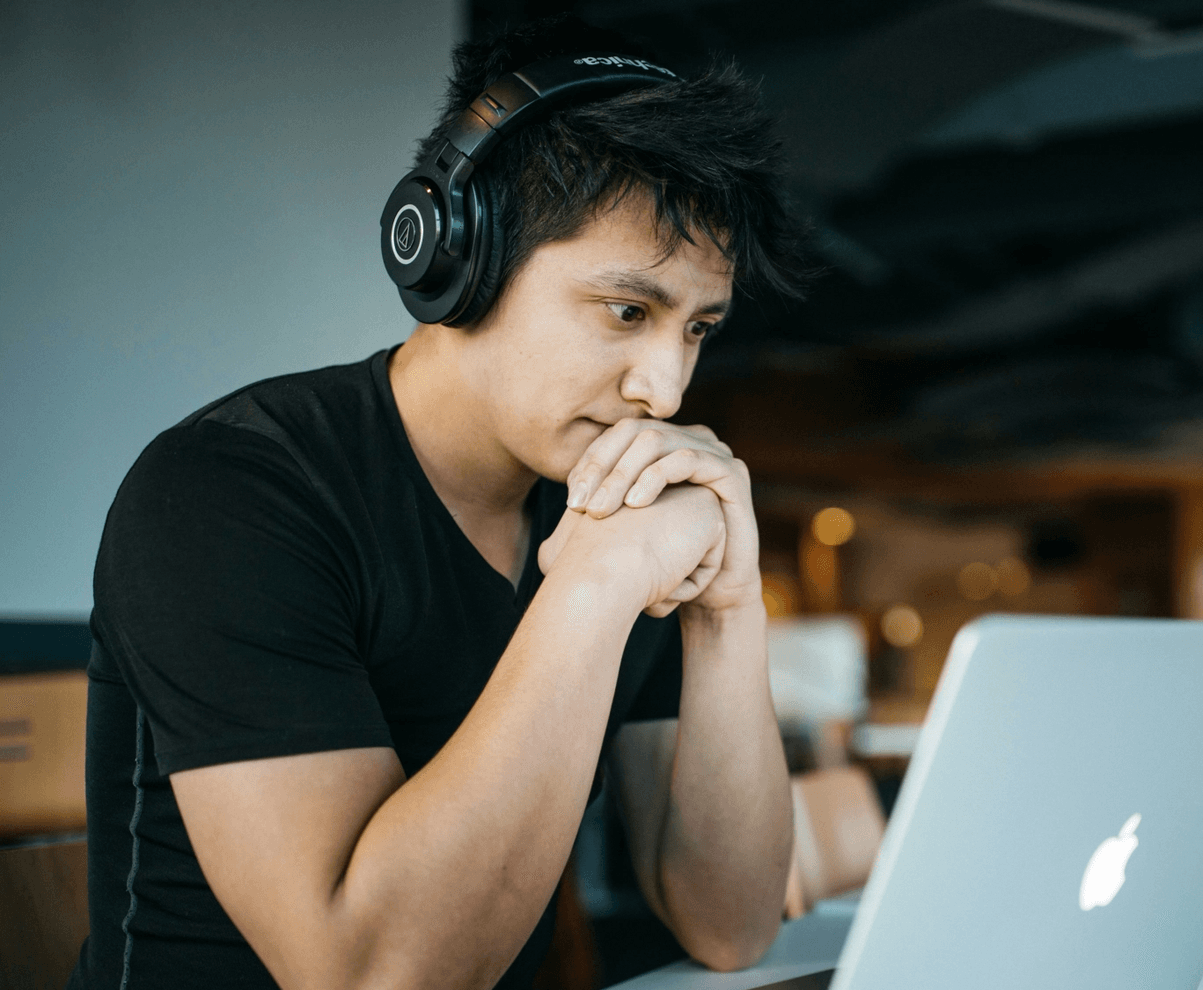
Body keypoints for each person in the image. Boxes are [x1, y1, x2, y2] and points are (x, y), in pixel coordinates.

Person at [72, 17, 812, 990]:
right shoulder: (228, 493)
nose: (665, 391)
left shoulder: (611, 506)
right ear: (457, 256)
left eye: (698, 328)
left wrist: (728, 610)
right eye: (627, 312)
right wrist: (592, 588)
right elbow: (371, 976)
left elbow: (730, 925)